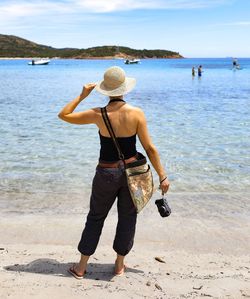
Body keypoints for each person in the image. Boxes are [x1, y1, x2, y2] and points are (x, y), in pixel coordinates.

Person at [58, 66, 170, 279]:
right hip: (132, 175)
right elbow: (150, 148)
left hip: (105, 174)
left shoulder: (97, 114)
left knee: (95, 217)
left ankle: (81, 267)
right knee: (128, 217)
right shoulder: (136, 113)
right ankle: (119, 265)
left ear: (105, 90)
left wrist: (82, 96)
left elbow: (64, 115)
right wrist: (162, 175)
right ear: (124, 89)